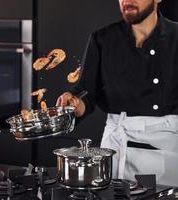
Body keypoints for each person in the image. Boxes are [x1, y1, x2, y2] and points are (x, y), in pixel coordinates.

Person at [56, 0, 178, 186]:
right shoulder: (103, 38)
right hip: (116, 145)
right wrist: (74, 105)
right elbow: (87, 92)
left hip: (168, 145)